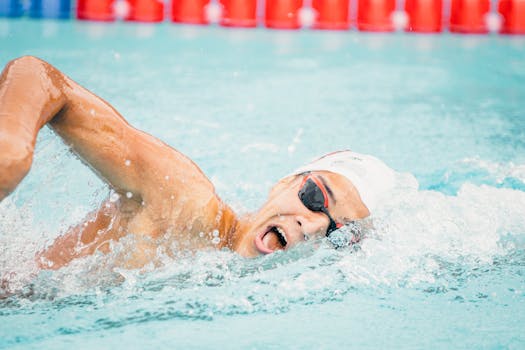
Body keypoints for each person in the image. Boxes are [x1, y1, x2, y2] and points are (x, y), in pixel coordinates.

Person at [0, 56, 396, 271]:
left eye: (335, 234)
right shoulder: (184, 200)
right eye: (314, 196)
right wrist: (12, 151)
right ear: (283, 183)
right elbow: (40, 76)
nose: (311, 226)